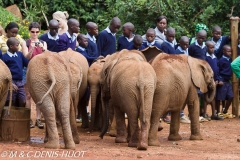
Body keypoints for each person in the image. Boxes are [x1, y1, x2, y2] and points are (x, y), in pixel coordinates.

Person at [25, 22, 47, 129]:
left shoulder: (43, 42)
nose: (35, 34)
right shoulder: (26, 42)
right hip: (28, 69)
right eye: (32, 32)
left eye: (37, 32)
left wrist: (42, 48)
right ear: (29, 31)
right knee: (28, 95)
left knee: (39, 95)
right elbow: (26, 57)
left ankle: (38, 118)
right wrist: (32, 48)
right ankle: (28, 119)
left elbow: (46, 56)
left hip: (40, 70)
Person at [1, 37, 28, 108]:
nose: (19, 47)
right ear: (11, 46)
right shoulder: (4, 57)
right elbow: (3, 72)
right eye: (17, 45)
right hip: (10, 81)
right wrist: (10, 83)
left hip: (20, 81)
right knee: (10, 101)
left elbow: (27, 64)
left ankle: (20, 118)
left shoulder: (20, 55)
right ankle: (9, 118)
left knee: (22, 101)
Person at [203, 41, 224, 120]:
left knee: (213, 97)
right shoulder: (205, 58)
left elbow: (217, 70)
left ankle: (213, 114)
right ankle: (204, 113)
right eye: (211, 47)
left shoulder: (215, 57)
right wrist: (208, 80)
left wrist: (218, 79)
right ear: (206, 48)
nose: (212, 49)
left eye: (213, 47)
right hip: (208, 80)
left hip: (215, 80)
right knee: (206, 96)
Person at [216, 45, 234, 119]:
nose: (230, 53)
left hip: (228, 81)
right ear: (223, 51)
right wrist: (219, 80)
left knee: (230, 96)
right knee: (219, 97)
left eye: (230, 51)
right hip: (222, 81)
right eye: (228, 51)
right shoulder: (221, 60)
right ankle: (218, 112)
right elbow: (217, 71)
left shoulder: (230, 60)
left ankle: (225, 111)